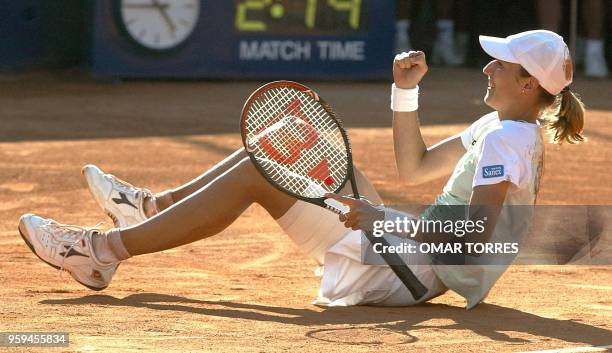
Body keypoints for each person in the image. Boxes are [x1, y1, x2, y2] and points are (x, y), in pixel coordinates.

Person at [18, 30, 585, 309]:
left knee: (259, 173)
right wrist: (404, 93)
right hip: (410, 254)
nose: (486, 65)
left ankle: (102, 253)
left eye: (500, 62)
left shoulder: (507, 140)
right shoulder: (505, 132)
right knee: (285, 141)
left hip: (405, 271)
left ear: (528, 83)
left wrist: (381, 219)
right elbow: (414, 168)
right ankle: (153, 208)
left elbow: (472, 237)